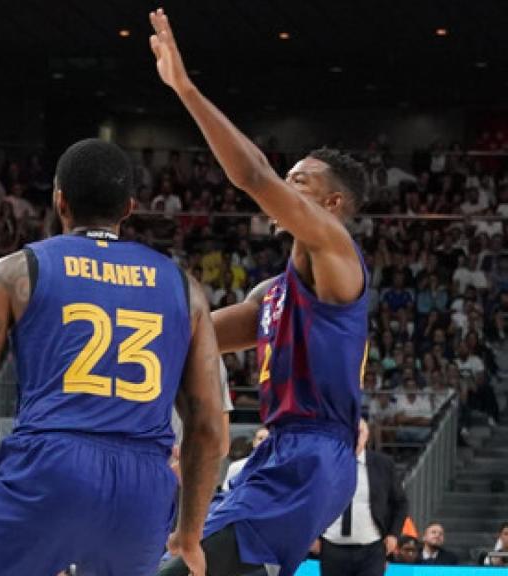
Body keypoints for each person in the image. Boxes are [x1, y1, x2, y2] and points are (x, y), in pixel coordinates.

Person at [0, 138, 225, 575]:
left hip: (53, 467)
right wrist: (189, 531)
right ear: (129, 208)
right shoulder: (186, 289)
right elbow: (207, 428)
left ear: (59, 200)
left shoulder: (15, 272)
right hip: (144, 488)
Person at [150, 9, 369, 576]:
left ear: (331, 205)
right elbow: (189, 339)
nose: (283, 187)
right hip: (284, 452)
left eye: (299, 181)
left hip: (313, 454)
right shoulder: (274, 291)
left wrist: (187, 90)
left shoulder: (339, 253)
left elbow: (252, 177)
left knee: (183, 568)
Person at [316, 420, 408, 576]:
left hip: (371, 548)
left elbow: (400, 502)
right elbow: (309, 502)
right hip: (331, 547)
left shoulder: (383, 464)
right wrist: (310, 537)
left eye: (359, 432)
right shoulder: (323, 463)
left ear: (366, 435)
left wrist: (393, 534)